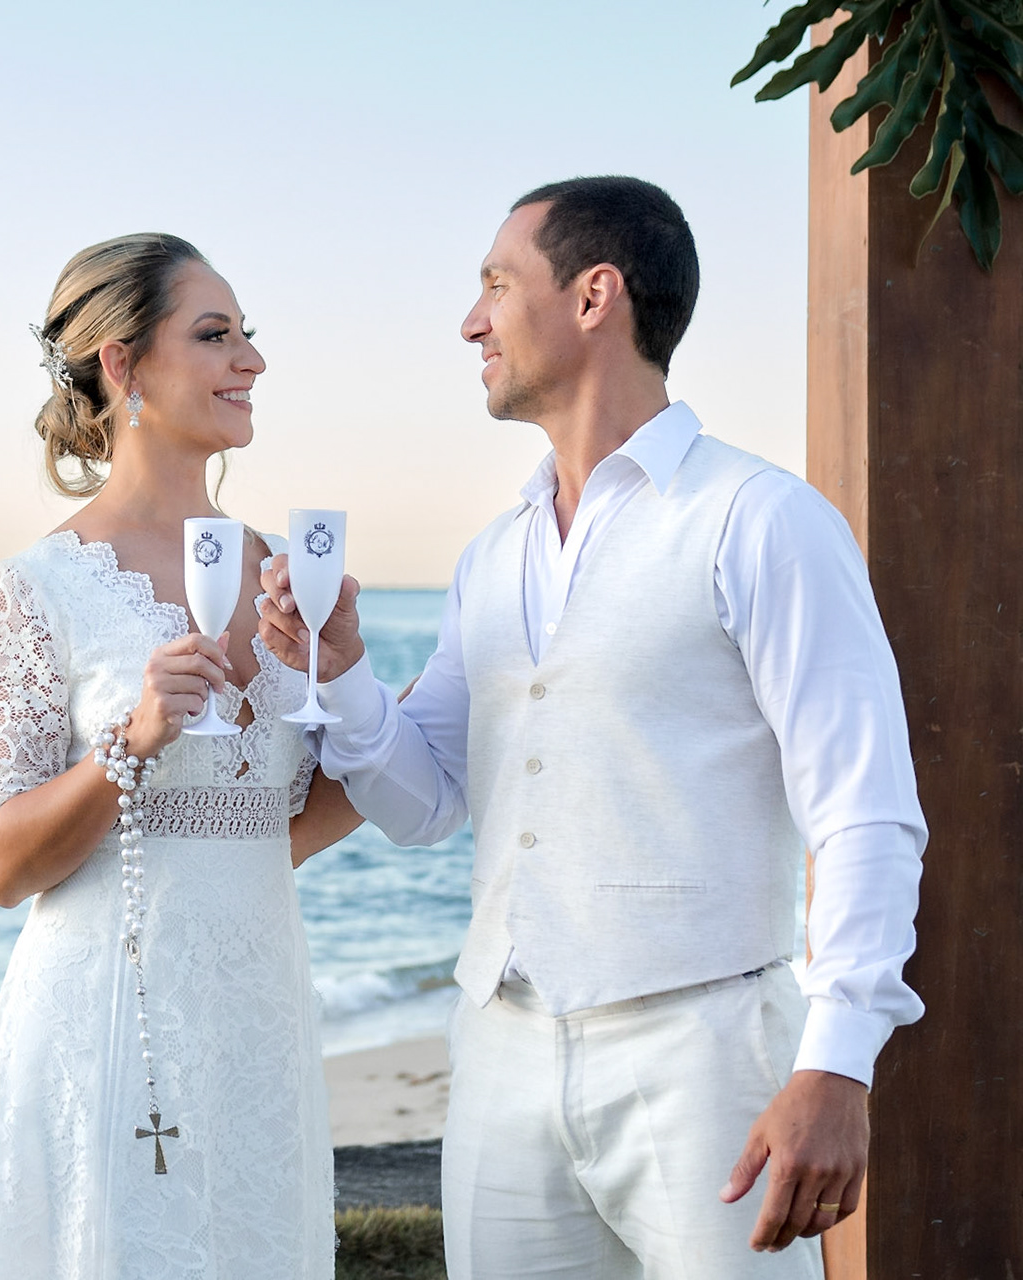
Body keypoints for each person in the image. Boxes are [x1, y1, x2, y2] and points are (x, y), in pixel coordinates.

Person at [258, 177, 926, 1277]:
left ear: (592, 296)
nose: (470, 322)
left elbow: (863, 809)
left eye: (495, 285)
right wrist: (344, 674)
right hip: (501, 1056)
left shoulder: (760, 519)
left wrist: (838, 1059)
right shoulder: (493, 556)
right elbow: (426, 805)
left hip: (705, 1052)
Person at [0, 233, 360, 1279]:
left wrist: (346, 678)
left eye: (246, 334)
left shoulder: (289, 573)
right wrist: (133, 741)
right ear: (123, 364)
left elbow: (295, 822)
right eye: (214, 335)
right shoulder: (39, 589)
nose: (250, 359)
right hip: (110, 1035)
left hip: (257, 1029)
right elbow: (2, 865)